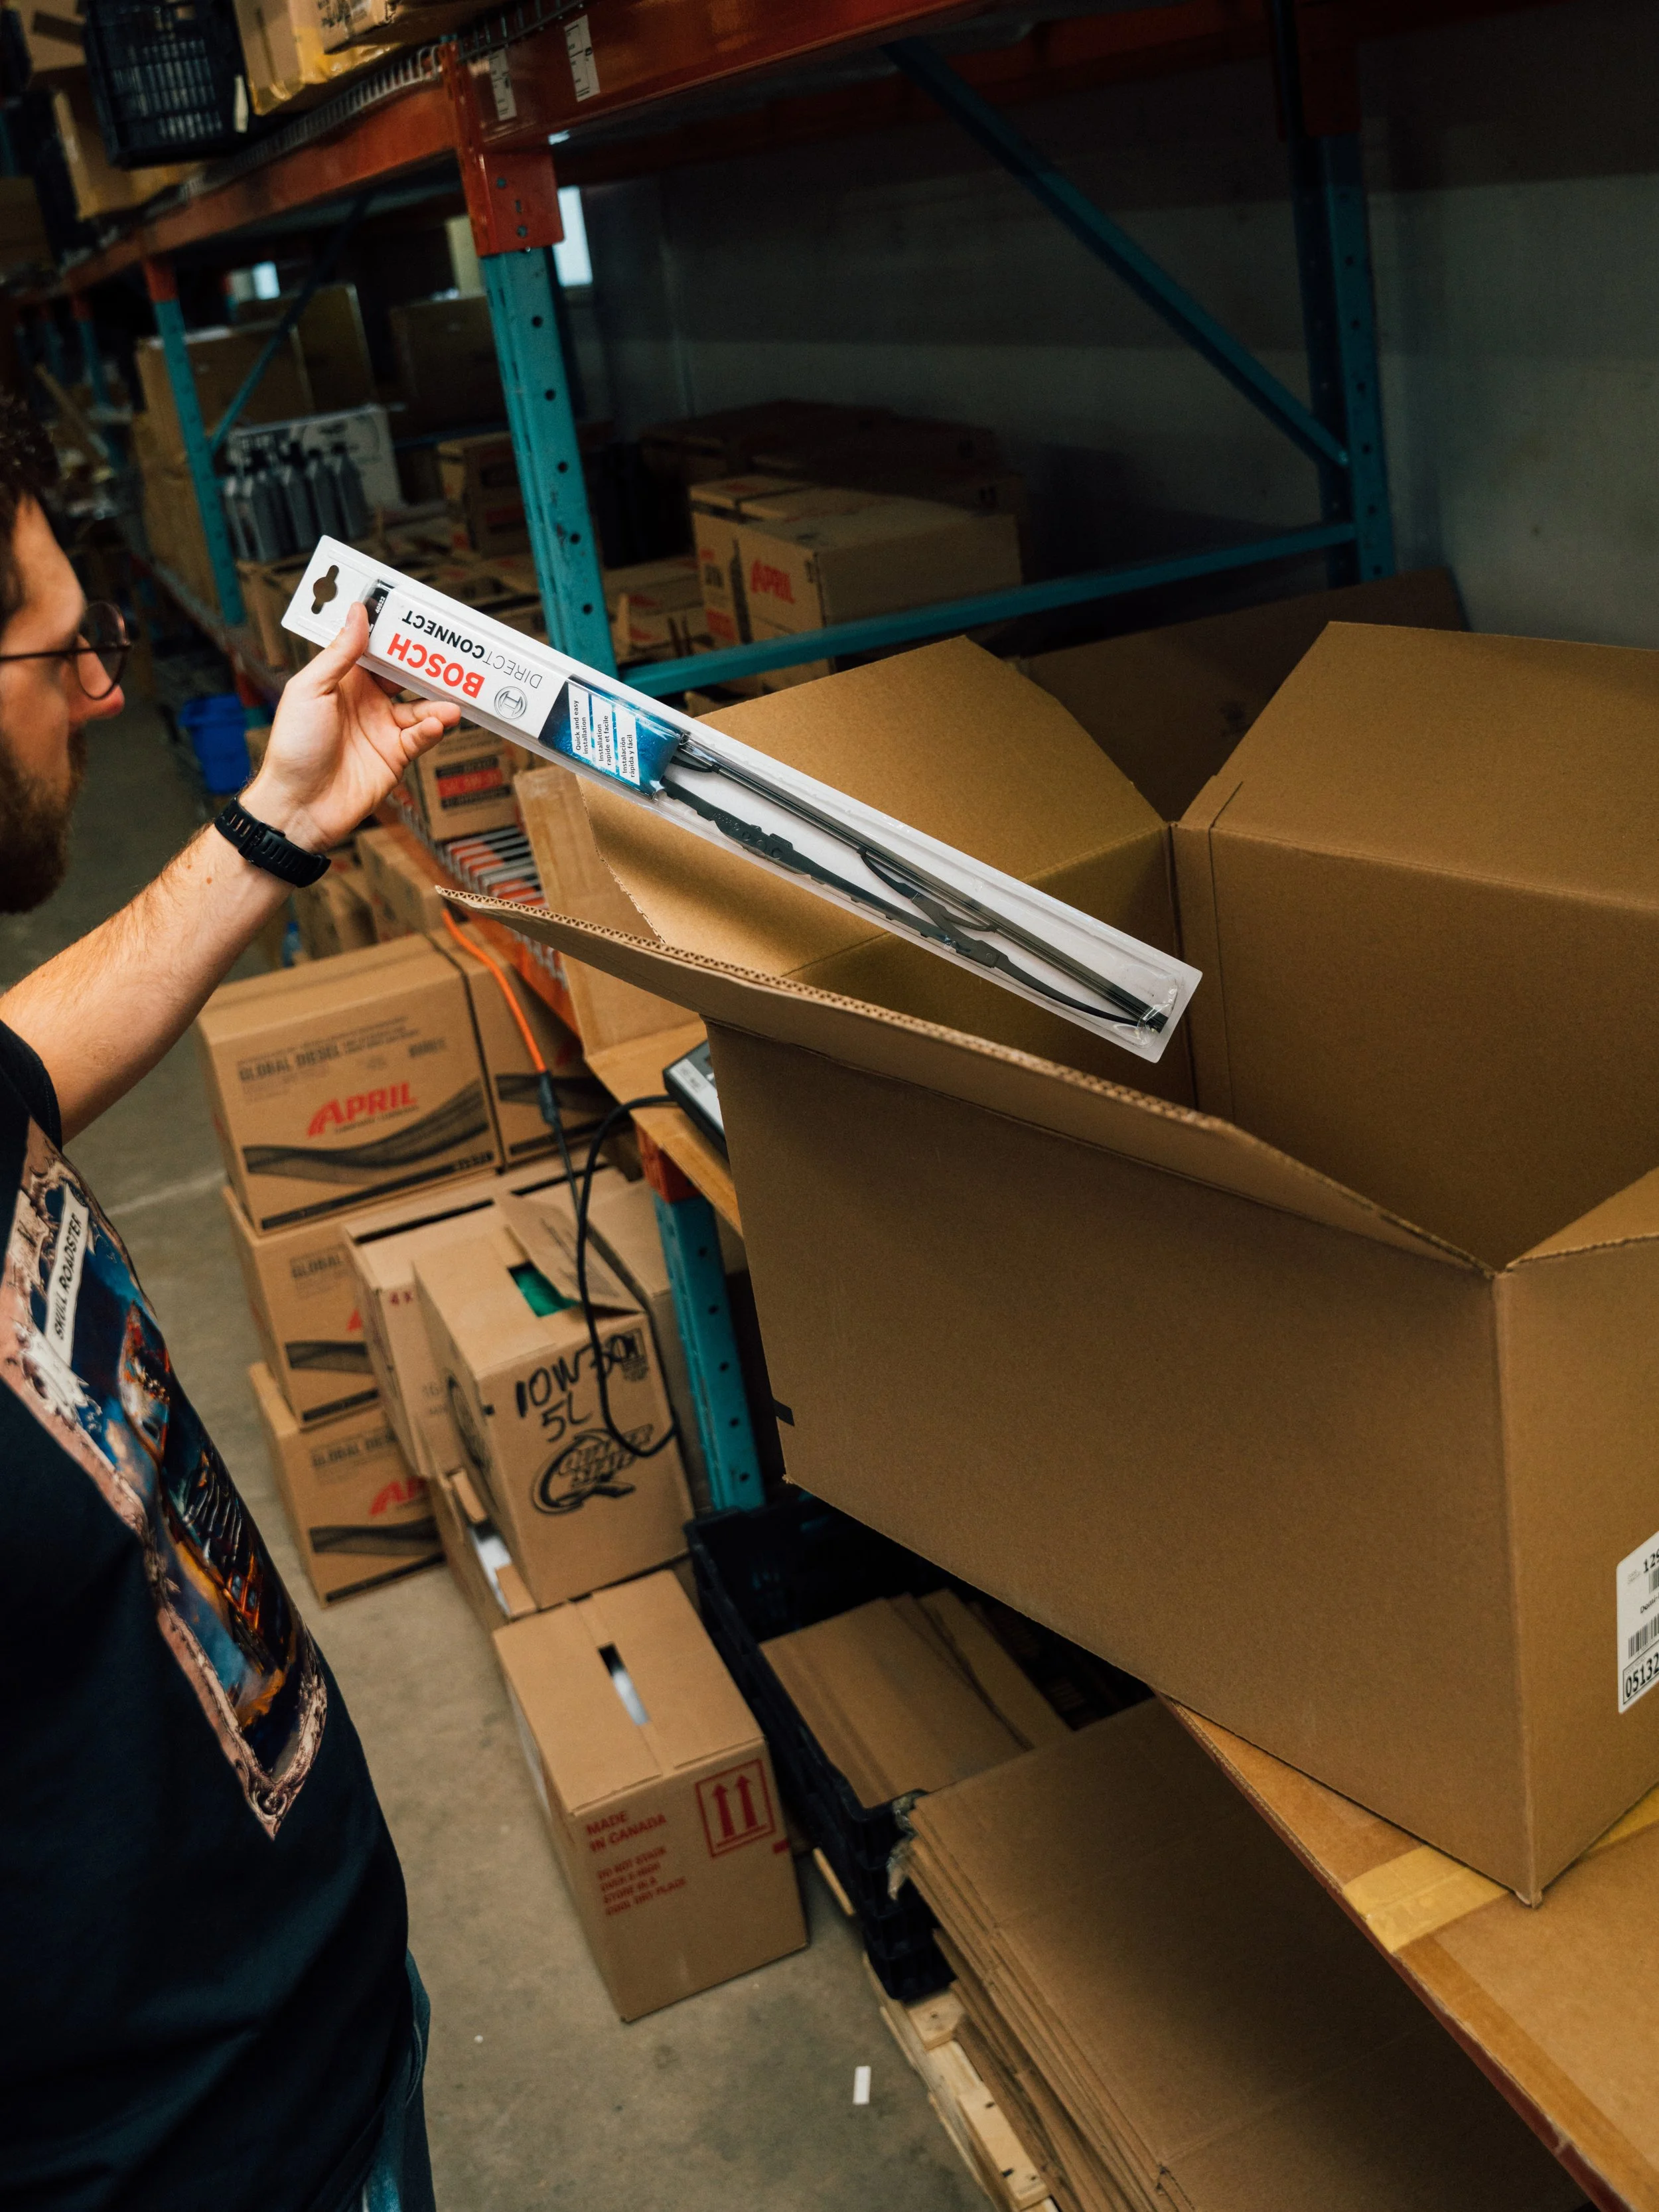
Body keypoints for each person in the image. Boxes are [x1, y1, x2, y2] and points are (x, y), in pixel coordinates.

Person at [0, 398, 462, 2211]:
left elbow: (21, 1057)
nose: (102, 692)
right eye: (59, 646)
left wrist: (279, 825)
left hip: (312, 2013)